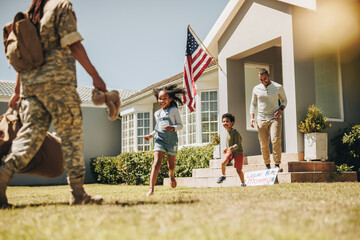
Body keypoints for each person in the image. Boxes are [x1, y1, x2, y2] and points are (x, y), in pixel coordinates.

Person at [0, 0, 107, 208]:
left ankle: (3, 174)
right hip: (59, 85)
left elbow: (25, 57)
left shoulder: (32, 12)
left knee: (29, 137)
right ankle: (78, 193)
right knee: (72, 138)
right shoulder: (61, 6)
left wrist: (17, 91)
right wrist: (95, 76)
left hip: (31, 89)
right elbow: (72, 42)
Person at [143, 84, 185, 196]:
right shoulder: (157, 113)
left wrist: (173, 128)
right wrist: (151, 135)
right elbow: (158, 128)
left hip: (171, 140)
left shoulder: (174, 110)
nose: (161, 100)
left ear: (170, 99)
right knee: (157, 162)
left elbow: (180, 125)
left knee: (171, 166)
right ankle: (151, 189)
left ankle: (171, 175)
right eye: (160, 98)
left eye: (164, 98)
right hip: (159, 139)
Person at [249, 68, 287, 170]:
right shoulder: (256, 89)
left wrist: (280, 109)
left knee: (275, 140)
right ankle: (267, 165)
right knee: (264, 143)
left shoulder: (278, 87)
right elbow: (253, 104)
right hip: (261, 118)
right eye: (261, 80)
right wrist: (252, 118)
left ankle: (277, 164)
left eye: (264, 79)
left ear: (269, 75)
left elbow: (284, 100)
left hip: (275, 118)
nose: (263, 81)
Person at [216, 113, 246, 187]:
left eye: (227, 121)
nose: (225, 123)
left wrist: (233, 147)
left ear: (232, 123)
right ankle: (223, 175)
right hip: (231, 152)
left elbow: (238, 143)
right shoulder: (226, 132)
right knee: (223, 163)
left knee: (238, 170)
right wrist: (226, 148)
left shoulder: (235, 132)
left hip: (238, 152)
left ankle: (243, 183)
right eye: (223, 121)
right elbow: (229, 143)